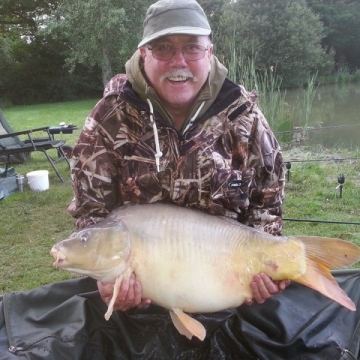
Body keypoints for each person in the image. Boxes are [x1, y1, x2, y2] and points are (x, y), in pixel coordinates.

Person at [67, 0, 288, 314]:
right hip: (144, 282)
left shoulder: (244, 118)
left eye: (192, 48)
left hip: (225, 277)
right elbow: (91, 211)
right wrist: (105, 276)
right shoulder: (110, 116)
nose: (178, 61)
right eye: (164, 48)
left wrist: (268, 263)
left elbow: (267, 202)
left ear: (209, 52)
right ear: (144, 53)